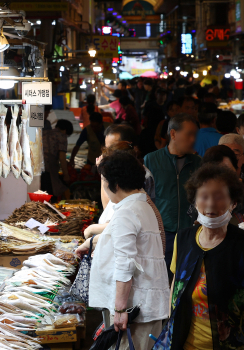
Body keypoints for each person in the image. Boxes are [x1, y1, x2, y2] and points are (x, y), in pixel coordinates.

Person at [154, 164, 244, 350]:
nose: (211, 204)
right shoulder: (183, 240)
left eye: (219, 197)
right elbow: (176, 286)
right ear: (195, 201)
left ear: (233, 203)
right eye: (204, 196)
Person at [77, 150, 170, 350]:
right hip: (144, 306)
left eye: (104, 181)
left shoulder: (127, 212)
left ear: (116, 184)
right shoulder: (141, 205)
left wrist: (120, 309)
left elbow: (125, 264)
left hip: (134, 310)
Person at [84, 124, 166, 255]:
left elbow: (122, 226)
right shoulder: (128, 196)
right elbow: (110, 207)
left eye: (112, 148)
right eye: (106, 149)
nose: (107, 154)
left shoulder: (136, 184)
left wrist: (92, 232)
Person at [144, 113, 202, 269]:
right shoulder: (150, 160)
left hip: (191, 231)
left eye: (195, 135)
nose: (193, 140)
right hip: (162, 233)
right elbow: (143, 197)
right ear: (173, 134)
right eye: (189, 134)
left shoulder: (198, 163)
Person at [40, 119, 73, 201]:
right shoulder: (62, 136)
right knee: (50, 196)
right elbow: (62, 157)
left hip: (38, 168)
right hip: (49, 169)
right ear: (65, 131)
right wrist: (66, 175)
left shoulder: (45, 132)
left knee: (41, 194)